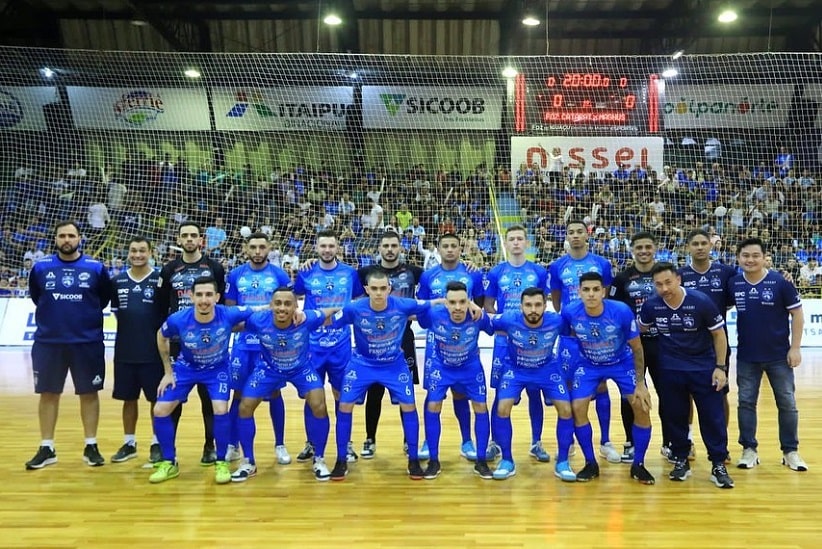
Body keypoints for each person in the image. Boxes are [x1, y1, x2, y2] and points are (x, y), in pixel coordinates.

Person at [327, 270, 462, 480]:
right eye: (374, 289)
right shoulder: (354, 308)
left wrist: (469, 305)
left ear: (390, 289)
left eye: (383, 288)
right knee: (344, 405)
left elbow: (436, 302)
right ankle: (341, 460)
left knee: (409, 405)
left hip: (394, 365)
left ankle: (414, 460)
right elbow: (329, 319)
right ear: (366, 290)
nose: (379, 293)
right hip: (362, 364)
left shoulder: (404, 305)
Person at [149, 276, 257, 484]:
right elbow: (161, 337)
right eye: (199, 294)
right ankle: (169, 463)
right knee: (160, 410)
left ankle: (222, 462)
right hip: (186, 368)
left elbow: (259, 309)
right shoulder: (178, 319)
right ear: (191, 296)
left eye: (209, 295)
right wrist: (168, 371)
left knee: (220, 409)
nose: (204, 300)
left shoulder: (229, 313)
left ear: (217, 297)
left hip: (217, 370)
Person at [639, 263, 735, 489]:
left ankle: (718, 463)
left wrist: (720, 368)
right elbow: (639, 331)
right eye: (659, 284)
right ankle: (681, 459)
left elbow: (719, 336)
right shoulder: (651, 306)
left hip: (703, 369)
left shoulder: (701, 301)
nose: (664, 288)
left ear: (678, 280)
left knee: (712, 418)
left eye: (668, 282)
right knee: (675, 417)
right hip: (670, 371)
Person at [25, 220, 111, 470]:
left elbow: (102, 299)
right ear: (55, 240)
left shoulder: (95, 268)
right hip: (49, 343)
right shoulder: (41, 268)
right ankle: (47, 447)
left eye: (71, 235)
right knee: (48, 394)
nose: (67, 240)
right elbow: (36, 297)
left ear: (79, 239)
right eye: (62, 236)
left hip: (87, 342)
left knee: (89, 393)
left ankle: (91, 445)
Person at [231, 287, 337, 482]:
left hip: (301, 369)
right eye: (278, 303)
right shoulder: (258, 320)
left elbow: (331, 309)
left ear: (296, 306)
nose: (282, 308)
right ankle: (248, 461)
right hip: (268, 370)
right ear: (271, 305)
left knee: (319, 404)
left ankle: (319, 459)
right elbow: (233, 322)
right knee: (245, 407)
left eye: (288, 304)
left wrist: (307, 314)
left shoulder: (307, 319)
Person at [560, 273, 654, 484]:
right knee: (577, 408)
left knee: (641, 406)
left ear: (603, 291)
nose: (591, 294)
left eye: (596, 289)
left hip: (622, 363)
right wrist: (567, 376)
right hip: (588, 364)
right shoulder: (569, 312)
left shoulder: (620, 311)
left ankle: (638, 464)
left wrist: (640, 383)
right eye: (586, 290)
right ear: (579, 292)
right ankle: (590, 463)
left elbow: (638, 349)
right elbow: (567, 344)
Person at [729, 237, 807, 472]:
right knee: (745, 403)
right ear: (738, 258)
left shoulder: (780, 283)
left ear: (764, 258)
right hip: (746, 356)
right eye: (745, 256)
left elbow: (798, 315)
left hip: (779, 357)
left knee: (787, 403)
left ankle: (790, 451)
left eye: (755, 255)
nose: (750, 260)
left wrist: (795, 348)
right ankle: (749, 449)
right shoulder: (733, 283)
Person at [549, 219, 620, 464]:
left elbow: (606, 293)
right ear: (566, 236)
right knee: (569, 389)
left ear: (586, 235)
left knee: (600, 386)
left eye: (580, 231)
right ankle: (568, 442)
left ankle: (606, 441)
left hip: (597, 335)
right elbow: (557, 301)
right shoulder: (557, 266)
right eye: (571, 232)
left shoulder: (601, 263)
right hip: (569, 336)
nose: (575, 235)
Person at [157, 222, 226, 465]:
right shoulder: (169, 269)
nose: (189, 239)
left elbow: (222, 302)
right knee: (172, 399)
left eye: (193, 235)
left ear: (201, 240)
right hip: (178, 343)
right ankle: (167, 452)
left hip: (209, 344)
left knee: (210, 399)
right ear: (179, 239)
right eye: (184, 235)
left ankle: (210, 446)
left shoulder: (214, 267)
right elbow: (162, 305)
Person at [293, 230, 364, 464]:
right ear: (316, 248)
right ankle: (311, 444)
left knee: (343, 395)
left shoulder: (349, 273)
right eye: (322, 246)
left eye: (331, 246)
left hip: (341, 345)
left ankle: (347, 444)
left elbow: (357, 301)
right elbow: (293, 297)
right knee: (312, 396)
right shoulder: (306, 272)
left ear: (337, 248)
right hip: (312, 345)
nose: (326, 250)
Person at [487, 287, 573, 480]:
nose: (533, 309)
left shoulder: (557, 321)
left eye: (537, 305)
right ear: (521, 307)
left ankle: (563, 462)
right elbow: (485, 323)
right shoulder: (509, 319)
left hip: (547, 368)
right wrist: (472, 308)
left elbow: (574, 334)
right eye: (528, 305)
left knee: (566, 409)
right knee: (502, 408)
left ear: (545, 305)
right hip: (516, 369)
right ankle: (507, 460)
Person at [224, 232, 291, 465]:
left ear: (269, 248)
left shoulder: (279, 275)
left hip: (271, 346)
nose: (258, 251)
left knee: (274, 393)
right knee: (239, 394)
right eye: (253, 247)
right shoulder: (235, 275)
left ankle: (280, 444)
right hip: (243, 345)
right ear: (246, 248)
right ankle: (233, 446)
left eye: (262, 247)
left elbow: (288, 307)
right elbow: (230, 311)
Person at [485, 224, 550, 462]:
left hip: (533, 343)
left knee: (535, 392)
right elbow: (489, 305)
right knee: (501, 394)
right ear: (506, 242)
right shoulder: (496, 272)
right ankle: (495, 442)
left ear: (526, 242)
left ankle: (536, 442)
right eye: (511, 239)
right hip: (504, 343)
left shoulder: (538, 272)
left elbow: (542, 303)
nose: (515, 242)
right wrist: (502, 325)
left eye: (519, 238)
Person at [417, 233, 485, 461]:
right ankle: (429, 440)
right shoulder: (428, 276)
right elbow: (423, 307)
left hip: (465, 342)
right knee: (433, 393)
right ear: (438, 249)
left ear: (460, 248)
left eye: (453, 246)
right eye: (445, 246)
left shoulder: (472, 273)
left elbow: (480, 306)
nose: (449, 250)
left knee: (461, 392)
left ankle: (467, 441)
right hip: (436, 340)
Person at [416, 281, 493, 479]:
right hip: (442, 369)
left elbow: (496, 327)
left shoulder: (477, 317)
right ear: (445, 303)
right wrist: (439, 302)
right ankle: (434, 461)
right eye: (452, 302)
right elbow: (414, 309)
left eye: (462, 302)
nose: (458, 307)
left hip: (470, 369)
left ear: (468, 301)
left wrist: (479, 308)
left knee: (481, 408)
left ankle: (481, 461)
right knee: (433, 407)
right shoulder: (434, 315)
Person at [357, 231, 423, 459]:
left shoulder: (414, 272)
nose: (390, 249)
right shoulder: (366, 273)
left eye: (394, 245)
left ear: (400, 247)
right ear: (380, 248)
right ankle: (370, 439)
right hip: (373, 342)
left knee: (406, 393)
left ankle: (409, 440)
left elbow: (436, 283)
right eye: (385, 245)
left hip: (403, 340)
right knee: (374, 392)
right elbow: (355, 301)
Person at [609, 231, 670, 463]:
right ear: (632, 250)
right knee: (630, 394)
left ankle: (669, 443)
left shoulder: (665, 275)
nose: (644, 251)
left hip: (662, 343)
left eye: (648, 247)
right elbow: (613, 310)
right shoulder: (623, 278)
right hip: (631, 345)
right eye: (639, 248)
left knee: (668, 394)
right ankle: (631, 443)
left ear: (655, 248)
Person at [679, 229, 736, 459]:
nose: (700, 247)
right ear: (688, 247)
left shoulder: (726, 272)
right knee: (687, 396)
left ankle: (722, 444)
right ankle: (689, 441)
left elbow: (731, 303)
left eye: (704, 243)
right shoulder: (680, 274)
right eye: (695, 243)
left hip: (716, 345)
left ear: (711, 246)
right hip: (685, 345)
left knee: (720, 394)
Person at [109, 236, 164, 465]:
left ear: (150, 252)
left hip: (154, 353)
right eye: (134, 251)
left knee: (156, 400)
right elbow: (116, 312)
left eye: (142, 250)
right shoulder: (117, 280)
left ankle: (156, 442)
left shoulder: (160, 280)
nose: (138, 255)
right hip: (125, 351)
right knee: (128, 399)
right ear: (128, 253)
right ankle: (129, 443)